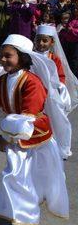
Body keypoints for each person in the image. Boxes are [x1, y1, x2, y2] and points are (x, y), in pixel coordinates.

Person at [0, 34, 69, 225]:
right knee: (18, 175)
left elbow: (28, 118)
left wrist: (7, 138)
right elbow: (0, 110)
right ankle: (21, 215)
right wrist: (5, 133)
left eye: (8, 56)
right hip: (18, 137)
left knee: (24, 176)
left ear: (22, 58)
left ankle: (21, 217)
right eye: (1, 55)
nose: (3, 59)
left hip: (36, 137)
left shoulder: (32, 82)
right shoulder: (1, 81)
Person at [33, 24, 74, 158]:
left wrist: (59, 87)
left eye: (45, 40)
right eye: (38, 39)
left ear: (52, 42)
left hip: (50, 94)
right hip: (34, 92)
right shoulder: (30, 55)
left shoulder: (54, 59)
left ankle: (55, 144)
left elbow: (61, 76)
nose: (41, 43)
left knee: (53, 119)